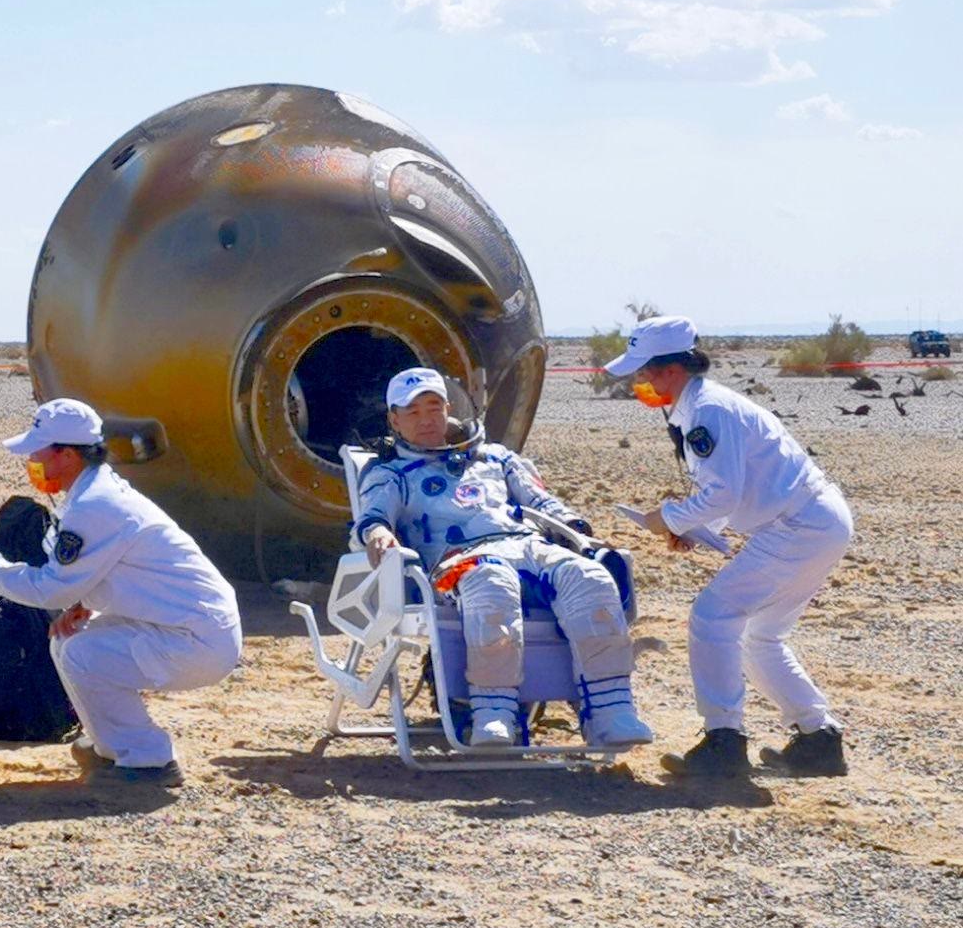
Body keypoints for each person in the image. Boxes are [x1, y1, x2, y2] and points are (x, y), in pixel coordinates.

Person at [0, 398, 241, 786]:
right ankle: (110, 746)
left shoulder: (96, 504)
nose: (32, 460)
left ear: (66, 455)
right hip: (184, 623)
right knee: (67, 640)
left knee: (84, 654)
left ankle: (149, 760)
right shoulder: (94, 493)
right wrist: (83, 602)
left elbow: (49, 588)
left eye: (39, 451)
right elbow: (111, 567)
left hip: (198, 638)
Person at [355, 368, 654, 749]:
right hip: (452, 566)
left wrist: (574, 526)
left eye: (433, 407)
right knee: (491, 583)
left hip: (525, 546)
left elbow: (541, 503)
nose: (426, 419)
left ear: (448, 408)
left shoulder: (495, 458)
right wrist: (378, 534)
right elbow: (372, 517)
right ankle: (493, 713)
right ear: (394, 420)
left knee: (589, 577)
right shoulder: (390, 472)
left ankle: (611, 712)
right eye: (412, 412)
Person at [609, 316, 852, 779]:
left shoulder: (707, 412)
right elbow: (731, 490)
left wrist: (670, 519)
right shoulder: (704, 405)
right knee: (760, 635)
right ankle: (819, 739)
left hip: (798, 524)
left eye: (646, 370)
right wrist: (693, 528)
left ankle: (724, 741)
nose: (641, 380)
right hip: (815, 520)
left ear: (671, 371)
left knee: (712, 617)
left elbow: (723, 494)